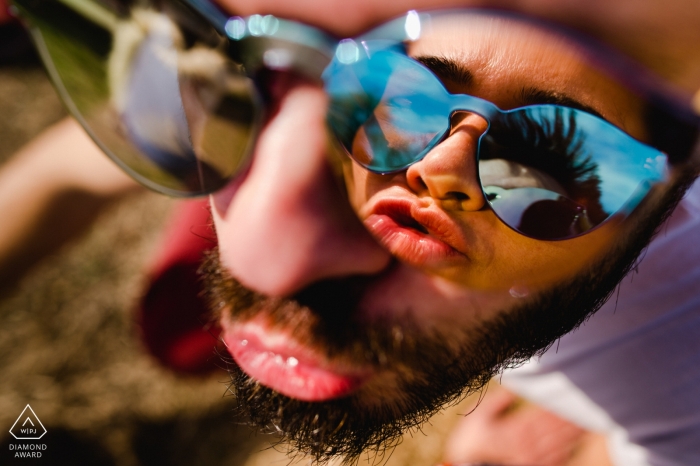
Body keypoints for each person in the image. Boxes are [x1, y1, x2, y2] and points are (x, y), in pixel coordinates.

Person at [10, 0, 700, 464]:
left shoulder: (670, 359)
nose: (272, 265)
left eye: (553, 154)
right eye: (388, 97)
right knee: (180, 332)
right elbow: (60, 178)